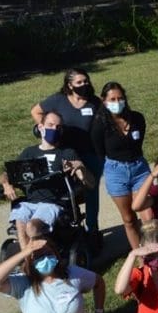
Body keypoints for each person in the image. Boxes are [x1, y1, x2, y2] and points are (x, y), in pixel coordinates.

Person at [0, 111, 94, 247]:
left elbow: (90, 182)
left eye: (58, 127)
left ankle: (41, 255)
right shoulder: (29, 152)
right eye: (50, 125)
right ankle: (29, 258)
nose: (54, 129)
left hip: (53, 203)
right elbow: (6, 174)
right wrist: (6, 184)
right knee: (21, 224)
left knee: (32, 227)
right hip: (30, 203)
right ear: (40, 127)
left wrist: (80, 169)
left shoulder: (66, 152)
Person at [30, 68, 103, 237]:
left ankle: (92, 231)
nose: (84, 84)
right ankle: (65, 229)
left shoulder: (94, 102)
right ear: (70, 85)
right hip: (64, 152)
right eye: (79, 82)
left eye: (86, 81)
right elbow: (35, 111)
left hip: (90, 153)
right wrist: (47, 130)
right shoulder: (58, 100)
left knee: (91, 192)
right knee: (65, 191)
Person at [91, 82, 150, 250]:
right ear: (104, 101)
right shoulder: (99, 124)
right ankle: (140, 254)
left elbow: (138, 144)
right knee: (129, 218)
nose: (117, 102)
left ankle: (156, 250)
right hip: (116, 171)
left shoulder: (137, 118)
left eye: (120, 98)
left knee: (148, 215)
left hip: (139, 168)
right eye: (112, 99)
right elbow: (99, 152)